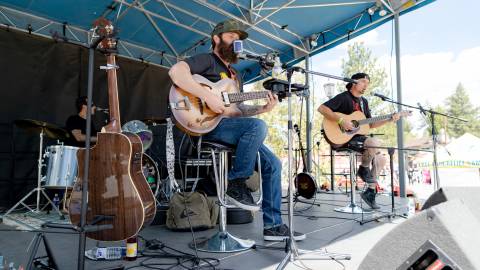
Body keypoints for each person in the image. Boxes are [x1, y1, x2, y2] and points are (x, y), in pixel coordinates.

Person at [168, 19, 305, 241]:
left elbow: (237, 111)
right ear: (216, 39)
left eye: (238, 39)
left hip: (233, 129)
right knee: (257, 127)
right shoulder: (207, 61)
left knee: (273, 164)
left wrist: (262, 108)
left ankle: (272, 227)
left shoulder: (235, 76)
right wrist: (208, 96)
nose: (236, 42)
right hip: (209, 128)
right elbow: (176, 72)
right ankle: (235, 180)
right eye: (232, 37)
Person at [318, 73, 400, 209]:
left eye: (368, 83)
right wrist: (341, 120)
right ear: (353, 82)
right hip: (343, 139)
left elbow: (370, 124)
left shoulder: (364, 102)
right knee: (374, 142)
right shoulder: (344, 97)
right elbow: (322, 109)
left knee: (381, 160)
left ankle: (370, 192)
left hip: (359, 139)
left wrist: (389, 119)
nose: (366, 85)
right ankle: (363, 169)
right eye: (363, 82)